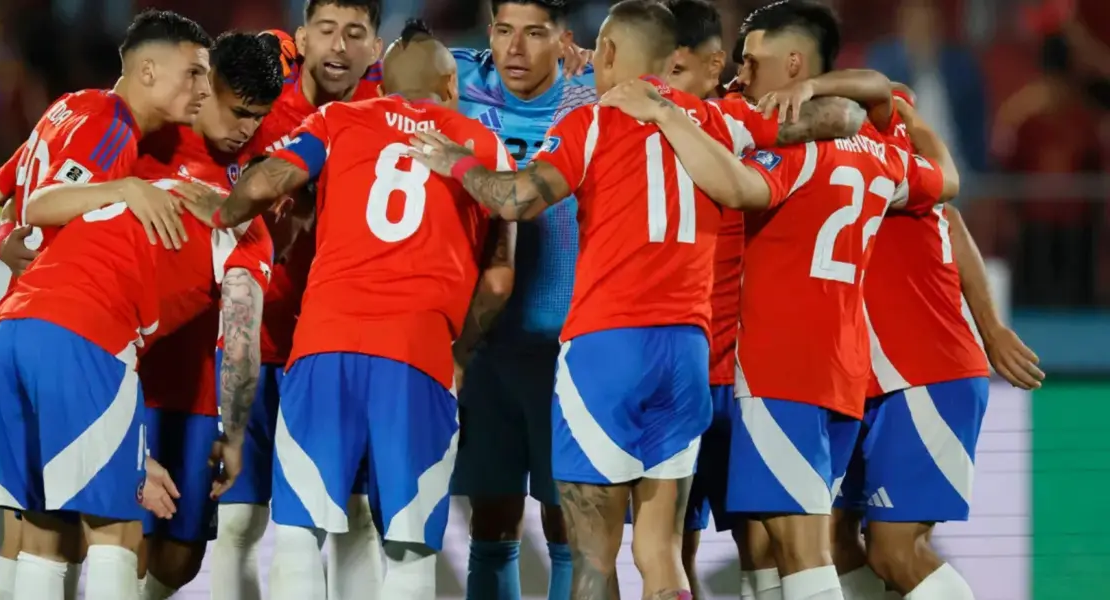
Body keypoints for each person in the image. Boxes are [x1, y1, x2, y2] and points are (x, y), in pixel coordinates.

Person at [409, 2, 870, 597]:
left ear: (607, 56)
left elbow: (516, 199)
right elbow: (845, 116)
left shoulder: (591, 123)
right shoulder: (716, 118)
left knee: (594, 560)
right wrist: (805, 90)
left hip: (606, 349)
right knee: (662, 553)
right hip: (686, 353)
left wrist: (456, 160)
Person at [595, 3, 949, 598]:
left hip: (754, 365)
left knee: (781, 545)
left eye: (747, 61)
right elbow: (943, 178)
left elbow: (737, 186)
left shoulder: (771, 141)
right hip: (820, 365)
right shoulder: (874, 147)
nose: (739, 72)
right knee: (770, 541)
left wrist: (666, 114)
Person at [188, 20, 515, 600]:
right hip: (417, 351)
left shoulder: (339, 121)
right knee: (409, 546)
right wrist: (460, 352)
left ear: (382, 82)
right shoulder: (482, 145)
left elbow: (267, 181)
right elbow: (499, 275)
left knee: (297, 533)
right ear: (449, 83)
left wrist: (222, 211)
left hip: (323, 343)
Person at [0, 10, 212, 600]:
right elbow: (47, 201)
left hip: (16, 324)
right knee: (112, 529)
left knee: (34, 533)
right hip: (74, 327)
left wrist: (5, 242)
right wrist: (123, 188)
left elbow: (2, 192)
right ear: (148, 70)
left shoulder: (68, 107)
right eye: (192, 74)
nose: (202, 90)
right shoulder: (110, 122)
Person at [829, 88, 1044, 600]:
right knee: (834, 542)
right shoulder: (885, 170)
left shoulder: (884, 158)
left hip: (922, 372)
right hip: (866, 380)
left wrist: (991, 329)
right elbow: (951, 217)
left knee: (894, 550)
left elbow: (949, 213)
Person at [211, 6, 387, 597]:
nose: (339, 47)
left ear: (375, 47)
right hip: (255, 340)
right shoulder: (263, 91)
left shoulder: (387, 106)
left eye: (355, 34)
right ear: (304, 37)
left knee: (353, 516)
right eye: (328, 31)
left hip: (338, 348)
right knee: (239, 521)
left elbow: (456, 73)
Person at [446, 2, 594, 599]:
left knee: (569, 525)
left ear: (563, 39)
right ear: (489, 34)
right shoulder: (458, 82)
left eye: (534, 34)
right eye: (504, 32)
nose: (515, 49)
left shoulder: (594, 99)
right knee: (492, 521)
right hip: (486, 344)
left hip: (568, 346)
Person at [127, 32, 283, 600]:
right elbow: (33, 185)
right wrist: (10, 238)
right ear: (203, 82)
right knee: (105, 530)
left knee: (181, 553)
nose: (246, 127)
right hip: (120, 366)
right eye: (238, 110)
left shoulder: (243, 199)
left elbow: (243, 312)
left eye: (256, 116)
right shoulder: (136, 132)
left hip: (193, 382)